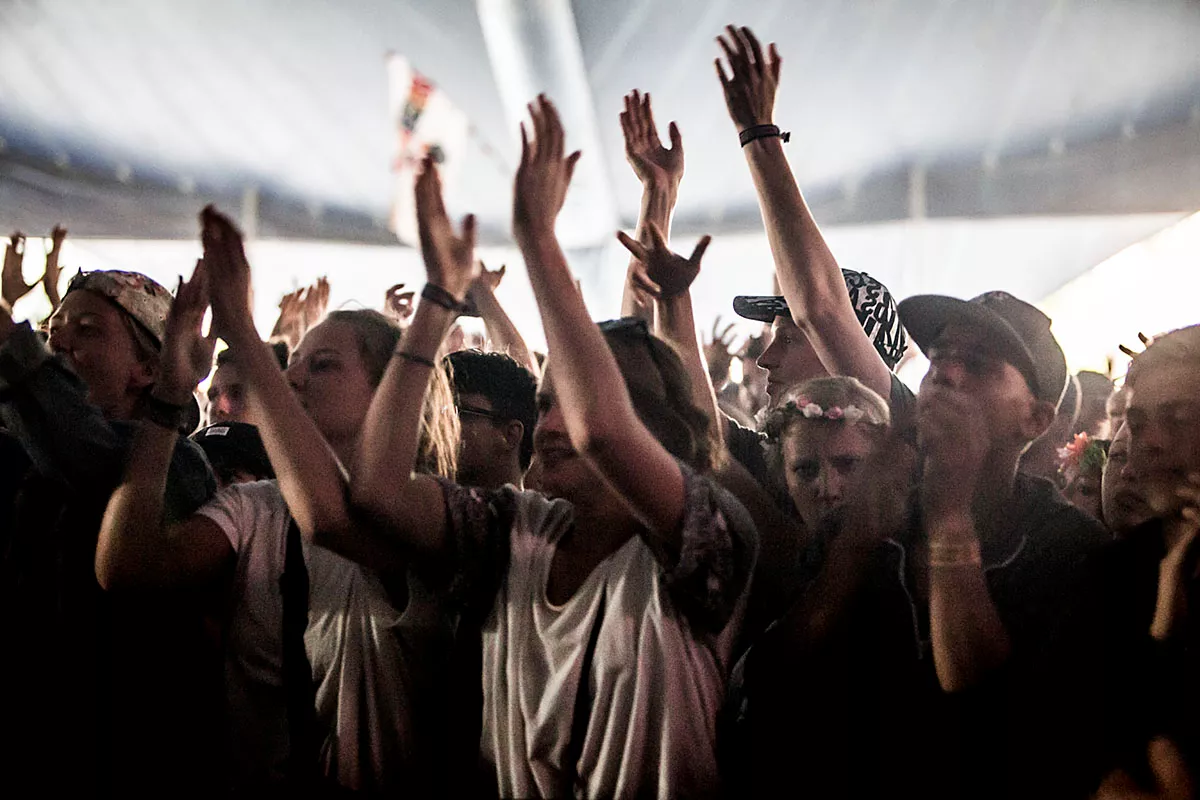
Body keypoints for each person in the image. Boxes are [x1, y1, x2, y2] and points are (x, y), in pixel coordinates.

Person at [346, 100, 757, 798]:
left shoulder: (704, 536)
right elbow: (380, 490)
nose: (556, 422)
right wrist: (437, 302)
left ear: (654, 426)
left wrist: (538, 236)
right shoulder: (514, 530)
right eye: (544, 404)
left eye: (578, 396)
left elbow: (603, 431)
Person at [94, 208, 460, 794]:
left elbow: (331, 520)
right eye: (294, 364)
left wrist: (239, 324)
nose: (290, 380)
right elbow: (129, 565)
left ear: (388, 393)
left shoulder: (431, 512)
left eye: (324, 366)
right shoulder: (258, 507)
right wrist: (167, 396)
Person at [733, 287, 1111, 798]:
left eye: (978, 366)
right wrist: (860, 536)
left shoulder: (1069, 548)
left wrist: (950, 512)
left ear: (1036, 420)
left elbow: (1000, 721)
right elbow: (768, 681)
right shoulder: (864, 520)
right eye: (939, 358)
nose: (947, 374)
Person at [0, 267, 217, 794]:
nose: (58, 338)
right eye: (55, 326)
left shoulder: (180, 465)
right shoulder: (22, 449)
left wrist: (10, 342)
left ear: (147, 368)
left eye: (88, 328)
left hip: (120, 753)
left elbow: (91, 457)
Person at [446, 348, 537, 490]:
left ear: (510, 435)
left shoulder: (540, 512)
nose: (440, 426)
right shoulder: (427, 508)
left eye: (459, 412)